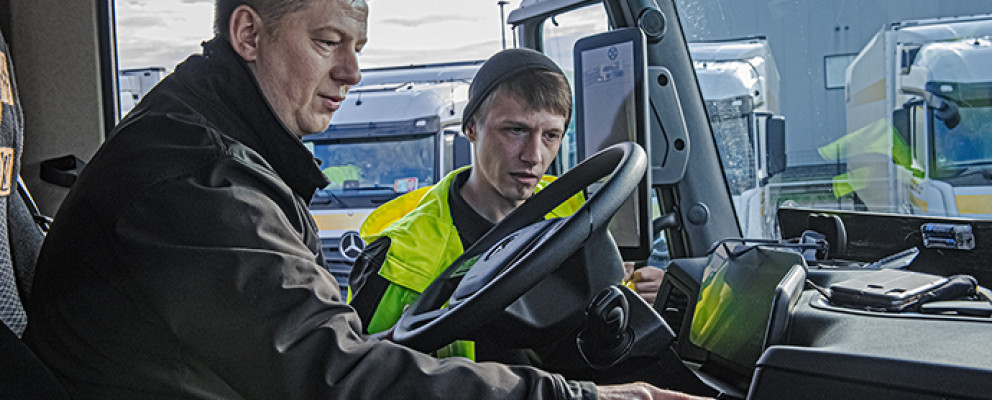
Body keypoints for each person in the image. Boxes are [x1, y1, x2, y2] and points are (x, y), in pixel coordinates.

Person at [22, 0, 703, 399]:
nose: (351, 71)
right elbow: (332, 371)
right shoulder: (197, 182)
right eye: (328, 42)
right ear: (249, 35)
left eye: (357, 47)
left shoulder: (222, 150)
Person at [351, 48, 666, 360]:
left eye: (551, 136)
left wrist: (646, 295)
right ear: (471, 127)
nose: (534, 156)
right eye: (516, 130)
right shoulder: (396, 260)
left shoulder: (578, 212)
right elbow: (360, 369)